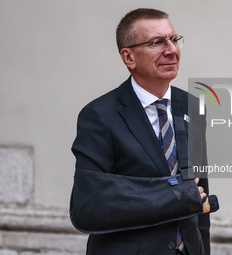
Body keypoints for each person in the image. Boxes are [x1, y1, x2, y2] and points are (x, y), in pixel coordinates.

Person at [69, 8, 219, 255]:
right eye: (156, 42)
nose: (171, 50)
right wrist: (175, 195)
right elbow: (88, 208)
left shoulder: (193, 107)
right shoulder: (99, 116)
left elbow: (199, 198)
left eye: (174, 39)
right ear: (129, 58)